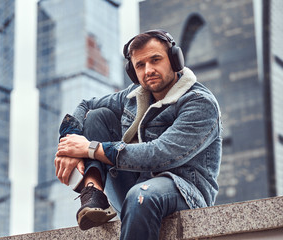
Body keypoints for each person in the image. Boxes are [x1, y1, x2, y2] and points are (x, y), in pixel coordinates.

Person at [54, 29, 222, 240]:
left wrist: (89, 149)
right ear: (133, 71)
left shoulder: (199, 102)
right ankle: (93, 192)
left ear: (174, 60)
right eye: (140, 65)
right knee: (97, 115)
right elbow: (85, 105)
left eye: (155, 60)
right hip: (135, 185)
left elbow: (161, 154)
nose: (148, 70)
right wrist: (68, 145)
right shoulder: (133, 96)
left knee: (141, 194)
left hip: (183, 189)